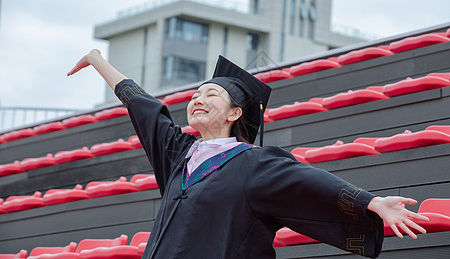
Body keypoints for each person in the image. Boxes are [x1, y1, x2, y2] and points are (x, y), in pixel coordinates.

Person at [68, 50, 429, 259]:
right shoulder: (179, 155)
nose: (198, 99)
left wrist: (371, 202)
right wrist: (99, 61)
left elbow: (310, 183)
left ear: (234, 113)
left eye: (211, 94)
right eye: (196, 94)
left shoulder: (254, 163)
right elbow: (145, 108)